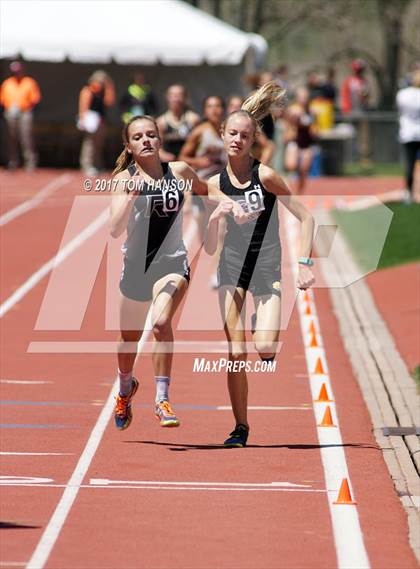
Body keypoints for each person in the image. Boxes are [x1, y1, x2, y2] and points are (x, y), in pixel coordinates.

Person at [109, 114, 243, 431]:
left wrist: (230, 204)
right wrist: (130, 198)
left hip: (173, 263)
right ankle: (126, 389)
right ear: (128, 146)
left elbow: (206, 189)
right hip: (136, 269)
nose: (146, 141)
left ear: (160, 140)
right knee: (128, 340)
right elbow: (114, 230)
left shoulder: (178, 172)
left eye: (151, 135)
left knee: (160, 323)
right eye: (138, 137)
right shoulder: (122, 180)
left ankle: (162, 398)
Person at [204, 81, 315, 447]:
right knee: (236, 354)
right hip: (232, 271)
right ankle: (241, 426)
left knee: (265, 349)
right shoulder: (213, 185)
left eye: (244, 135)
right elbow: (209, 248)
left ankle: (261, 324)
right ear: (222, 134)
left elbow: (307, 217)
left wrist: (304, 263)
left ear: (253, 141)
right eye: (232, 133)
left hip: (267, 269)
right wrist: (213, 220)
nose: (237, 140)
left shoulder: (264, 176)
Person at [0, 61, 41, 171]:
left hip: (24, 112)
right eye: (14, 72)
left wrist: (25, 108)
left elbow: (35, 99)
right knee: (11, 138)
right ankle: (13, 161)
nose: (16, 73)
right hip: (10, 113)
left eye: (17, 71)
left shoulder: (29, 82)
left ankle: (30, 162)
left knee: (26, 137)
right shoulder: (7, 83)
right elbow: (2, 100)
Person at [78, 70, 115, 176]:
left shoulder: (103, 92)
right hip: (90, 122)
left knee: (98, 145)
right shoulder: (87, 90)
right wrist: (83, 120)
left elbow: (110, 101)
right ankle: (86, 165)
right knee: (89, 144)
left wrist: (109, 86)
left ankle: (97, 165)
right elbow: (83, 107)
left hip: (100, 122)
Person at [284, 87, 318, 194]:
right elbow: (288, 129)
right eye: (301, 97)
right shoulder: (293, 110)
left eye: (305, 97)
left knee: (304, 170)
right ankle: (287, 190)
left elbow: (315, 131)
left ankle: (299, 193)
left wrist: (310, 125)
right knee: (291, 165)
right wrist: (295, 122)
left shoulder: (312, 111)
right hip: (294, 141)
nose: (303, 99)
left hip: (306, 144)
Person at [157, 84, 200, 162]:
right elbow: (158, 149)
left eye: (179, 95)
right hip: (170, 164)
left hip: (189, 163)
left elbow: (199, 145)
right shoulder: (161, 122)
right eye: (173, 95)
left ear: (185, 98)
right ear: (167, 98)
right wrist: (165, 156)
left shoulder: (193, 119)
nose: (176, 99)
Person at [396, 70, 420, 204]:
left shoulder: (403, 94)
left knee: (410, 165)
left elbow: (400, 109)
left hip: (408, 133)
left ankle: (409, 192)